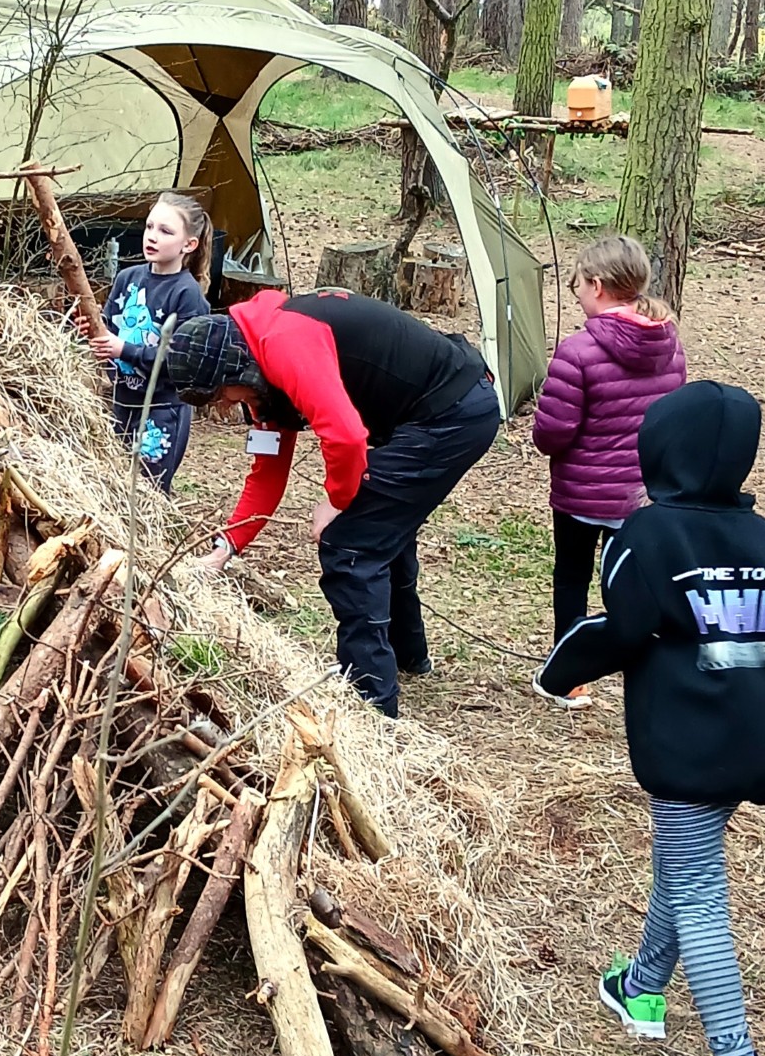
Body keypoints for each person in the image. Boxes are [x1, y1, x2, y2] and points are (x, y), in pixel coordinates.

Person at [538, 380, 765, 1056]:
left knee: (695, 887)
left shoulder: (644, 536)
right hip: (750, 736)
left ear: (661, 449)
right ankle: (643, 988)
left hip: (684, 740)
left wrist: (558, 671)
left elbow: (621, 629)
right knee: (682, 865)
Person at [167, 287, 503, 717]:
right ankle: (407, 655)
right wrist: (226, 548)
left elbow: (345, 435)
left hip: (450, 413)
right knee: (382, 529)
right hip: (427, 412)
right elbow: (268, 471)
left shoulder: (285, 343)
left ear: (233, 369)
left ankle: (370, 703)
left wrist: (337, 501)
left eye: (223, 395)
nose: (229, 405)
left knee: (352, 542)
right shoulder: (259, 369)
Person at [530, 233, 685, 706]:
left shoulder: (577, 351)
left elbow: (551, 434)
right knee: (629, 583)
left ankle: (569, 674)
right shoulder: (669, 343)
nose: (575, 291)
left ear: (597, 286)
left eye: (577, 283)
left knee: (572, 575)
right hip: (641, 496)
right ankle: (641, 665)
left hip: (582, 493)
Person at [86, 192, 214, 490]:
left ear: (189, 244)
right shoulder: (127, 278)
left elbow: (181, 362)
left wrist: (124, 349)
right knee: (115, 486)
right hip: (121, 403)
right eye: (149, 227)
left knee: (148, 491)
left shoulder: (187, 294)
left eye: (165, 231)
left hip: (161, 410)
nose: (152, 237)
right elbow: (110, 329)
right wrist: (93, 331)